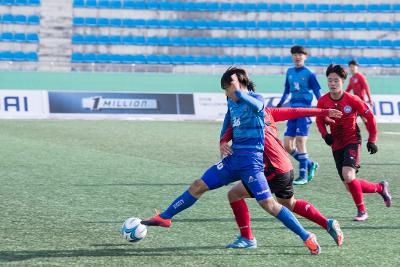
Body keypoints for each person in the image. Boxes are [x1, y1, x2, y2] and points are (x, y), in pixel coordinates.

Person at [142, 67, 321, 255]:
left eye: (229, 87)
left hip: (252, 163)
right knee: (198, 185)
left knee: (268, 204)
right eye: (226, 89)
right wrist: (222, 141)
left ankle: (307, 236)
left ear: (241, 83)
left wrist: (240, 95)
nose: (227, 92)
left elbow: (257, 106)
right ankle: (165, 217)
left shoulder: (256, 100)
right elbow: (228, 122)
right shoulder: (231, 101)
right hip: (233, 160)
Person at [220, 106, 344, 249]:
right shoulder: (268, 112)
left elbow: (231, 130)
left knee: (235, 194)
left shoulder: (245, 117)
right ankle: (327, 223)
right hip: (286, 166)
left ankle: (247, 238)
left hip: (273, 169)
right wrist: (324, 112)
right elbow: (297, 111)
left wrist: (223, 141)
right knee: (289, 203)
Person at [316, 64, 392, 221]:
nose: (332, 83)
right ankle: (380, 187)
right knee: (349, 184)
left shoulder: (352, 100)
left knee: (348, 176)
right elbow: (319, 119)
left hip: (352, 139)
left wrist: (372, 140)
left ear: (343, 81)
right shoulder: (323, 101)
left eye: (336, 80)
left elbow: (370, 117)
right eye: (330, 80)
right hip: (336, 143)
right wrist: (325, 135)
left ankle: (362, 211)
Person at [277, 45, 321, 185]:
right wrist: (280, 104)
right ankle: (310, 164)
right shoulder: (289, 72)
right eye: (295, 54)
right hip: (291, 111)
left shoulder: (310, 73)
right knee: (288, 145)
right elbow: (286, 91)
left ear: (305, 57)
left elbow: (317, 92)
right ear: (292, 56)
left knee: (301, 141)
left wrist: (323, 108)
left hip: (304, 110)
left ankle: (303, 176)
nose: (297, 56)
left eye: (300, 54)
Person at [346, 60, 374, 124]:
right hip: (355, 101)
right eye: (350, 67)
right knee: (357, 117)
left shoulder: (360, 77)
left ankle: (371, 130)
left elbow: (366, 88)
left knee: (361, 117)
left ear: (357, 67)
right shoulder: (351, 79)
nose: (352, 68)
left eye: (353, 66)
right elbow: (348, 90)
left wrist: (370, 99)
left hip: (361, 101)